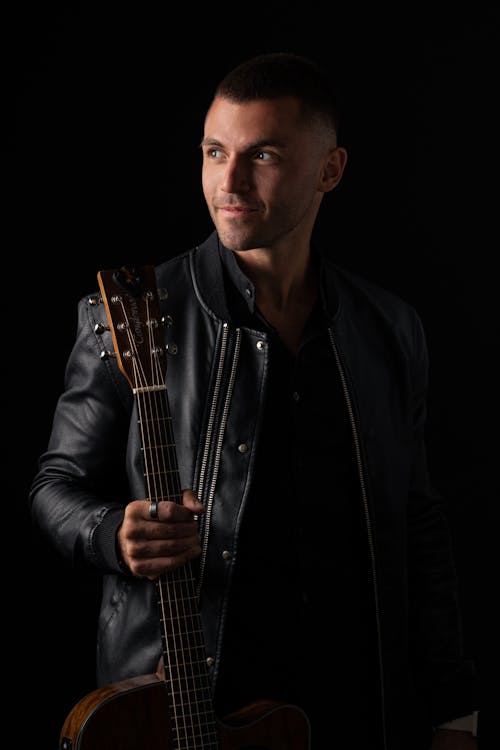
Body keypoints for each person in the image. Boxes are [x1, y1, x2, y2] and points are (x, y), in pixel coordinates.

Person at [29, 52, 479, 749]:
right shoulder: (131, 314)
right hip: (188, 704)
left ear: (330, 170)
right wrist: (110, 532)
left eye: (262, 155)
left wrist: (454, 712)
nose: (228, 181)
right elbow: (54, 487)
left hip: (357, 705)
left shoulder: (389, 329)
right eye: (215, 152)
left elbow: (419, 525)